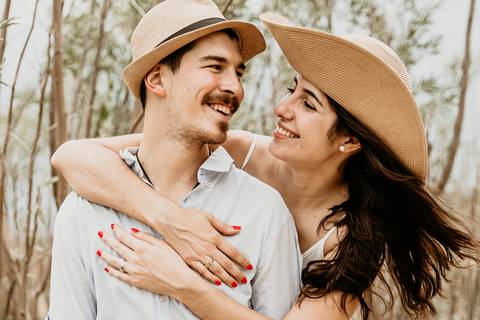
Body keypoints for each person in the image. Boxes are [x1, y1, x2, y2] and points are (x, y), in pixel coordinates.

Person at [51, 12, 479, 320]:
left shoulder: (351, 238)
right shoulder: (243, 150)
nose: (280, 108)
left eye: (308, 105)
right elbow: (74, 156)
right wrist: (172, 220)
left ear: (350, 139)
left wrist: (179, 281)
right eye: (292, 90)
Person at [47, 2, 303, 319]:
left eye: (238, 73)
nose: (235, 87)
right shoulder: (83, 213)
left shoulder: (263, 211)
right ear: (157, 80)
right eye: (215, 67)